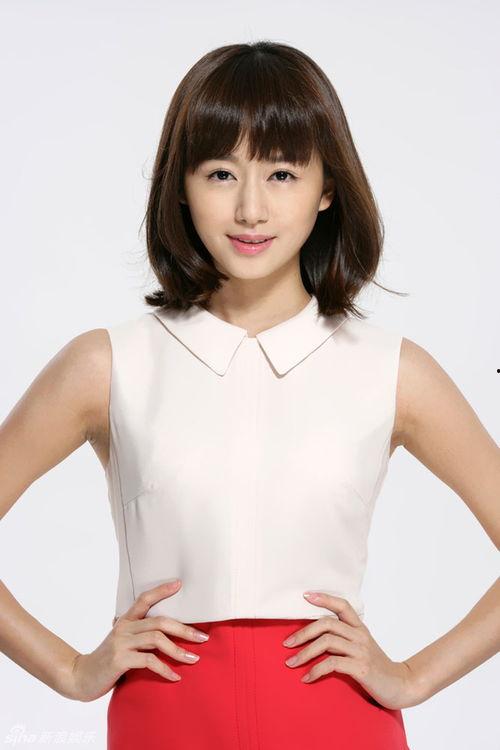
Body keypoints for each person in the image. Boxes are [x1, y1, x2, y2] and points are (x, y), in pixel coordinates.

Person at [1, 40, 498, 750]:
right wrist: (69, 670)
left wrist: (414, 676)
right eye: (220, 173)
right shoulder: (107, 364)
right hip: (164, 721)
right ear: (180, 185)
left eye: (283, 173)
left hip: (337, 723)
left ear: (328, 189)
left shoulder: (392, 369)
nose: (250, 208)